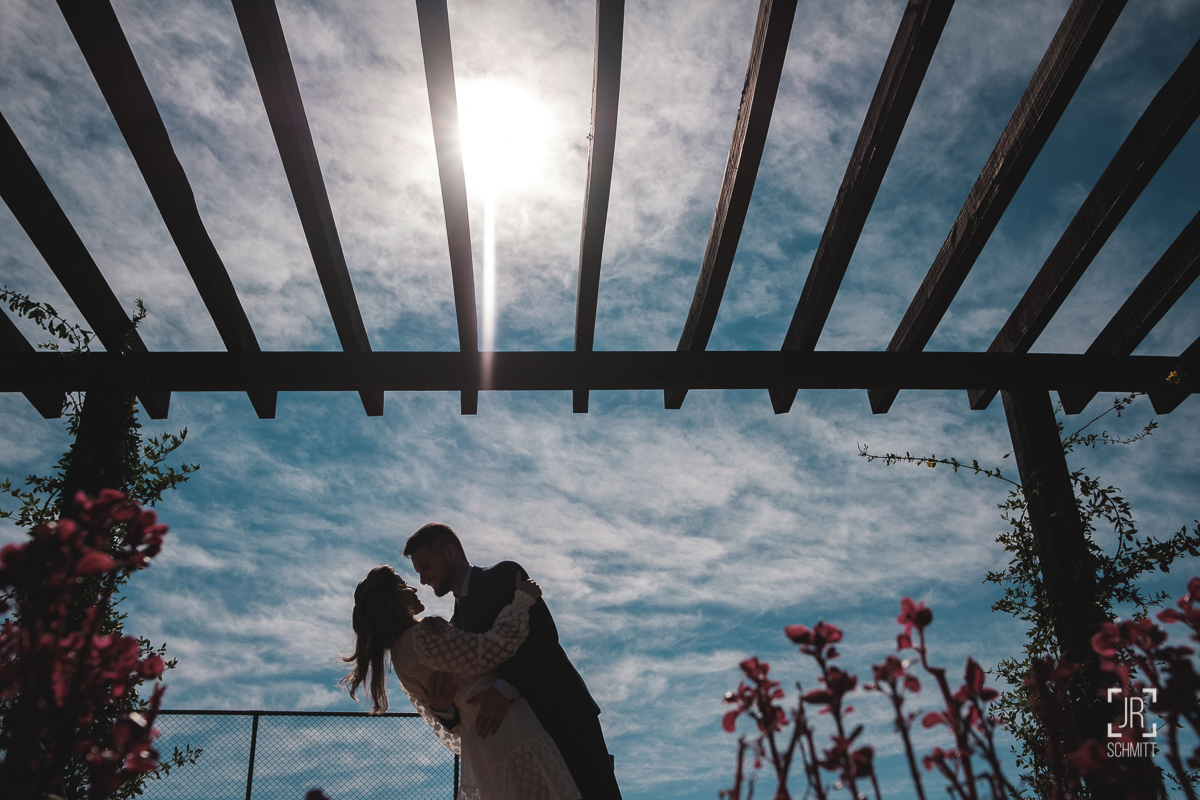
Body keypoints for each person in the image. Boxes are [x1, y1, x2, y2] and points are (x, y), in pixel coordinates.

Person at [404, 523, 623, 800]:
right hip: (522, 742)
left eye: (425, 566)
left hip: (564, 716)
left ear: (449, 553)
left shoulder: (504, 575)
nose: (423, 579)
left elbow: (544, 636)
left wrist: (503, 690)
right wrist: (442, 709)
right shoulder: (453, 625)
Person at [342, 565, 580, 800]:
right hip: (507, 728)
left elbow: (450, 725)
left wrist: (443, 709)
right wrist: (522, 601)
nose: (413, 587)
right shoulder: (421, 636)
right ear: (391, 599)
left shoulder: (400, 659)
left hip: (481, 746)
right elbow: (489, 650)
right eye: (402, 585)